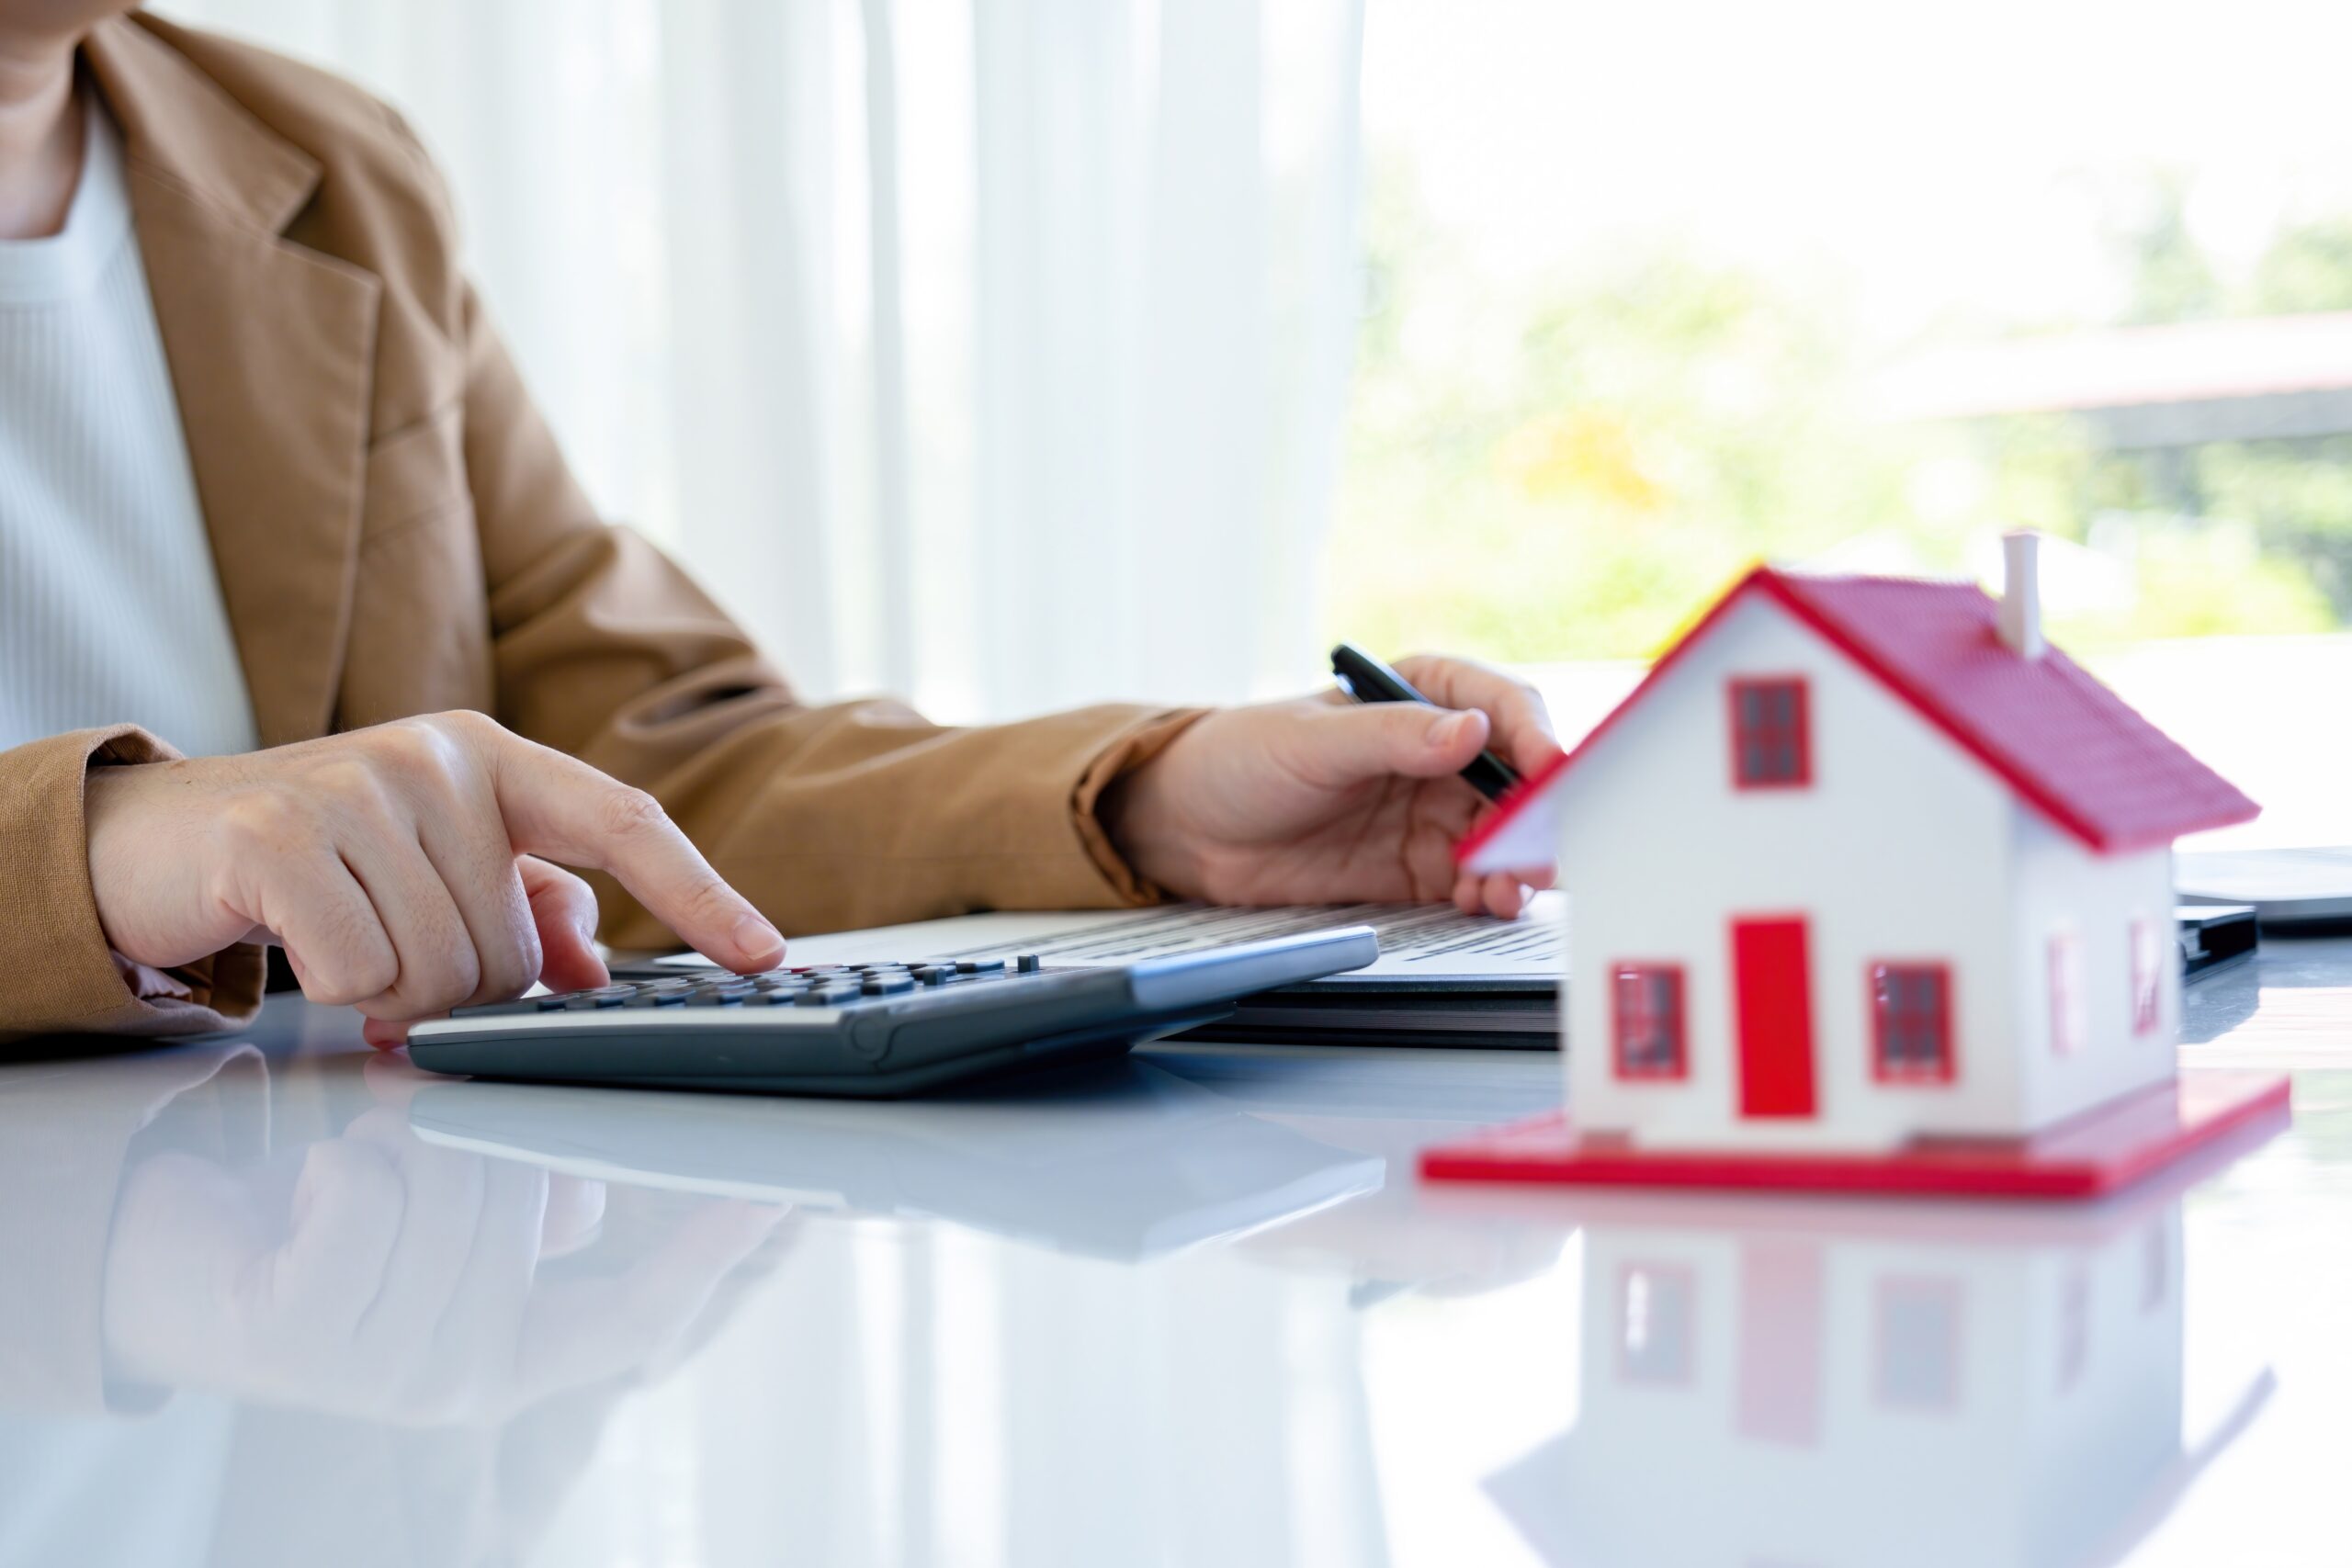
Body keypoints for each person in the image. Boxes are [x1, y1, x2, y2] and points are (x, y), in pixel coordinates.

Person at [0, 6, 1557, 1049]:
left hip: (322, 1302)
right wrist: (84, 853)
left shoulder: (329, 170)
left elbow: (642, 773)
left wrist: (1148, 804)